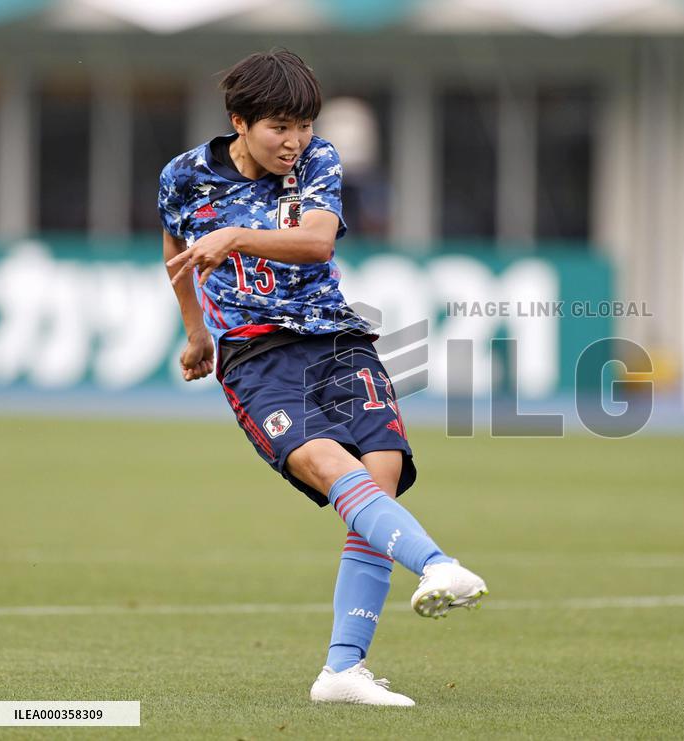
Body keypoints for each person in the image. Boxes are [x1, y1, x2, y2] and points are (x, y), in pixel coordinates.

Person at [159, 49, 487, 707]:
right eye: (280, 126)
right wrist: (196, 331)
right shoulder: (185, 176)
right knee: (332, 463)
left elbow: (316, 241)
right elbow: (175, 248)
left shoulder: (319, 160)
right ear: (239, 121)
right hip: (255, 357)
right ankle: (438, 565)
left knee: (384, 465)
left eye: (304, 124)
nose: (295, 140)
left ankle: (342, 671)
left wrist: (235, 236)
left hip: (336, 339)